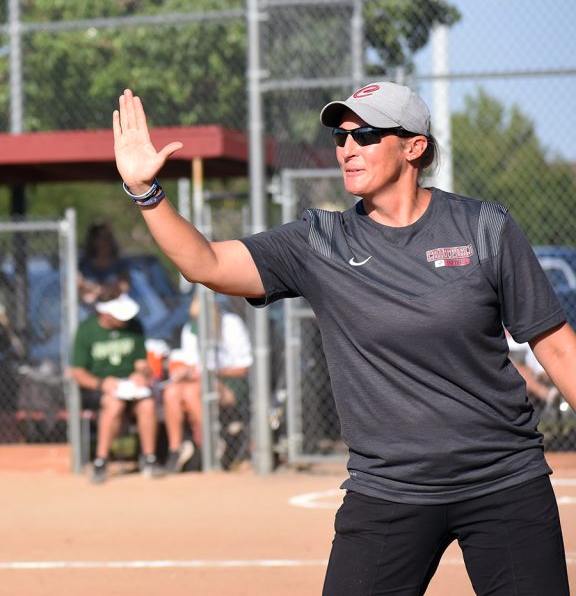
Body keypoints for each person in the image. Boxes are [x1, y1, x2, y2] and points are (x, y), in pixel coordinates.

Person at [112, 82, 576, 594]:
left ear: (414, 147)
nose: (348, 148)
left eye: (368, 135)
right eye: (340, 136)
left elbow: (555, 346)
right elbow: (208, 263)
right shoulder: (321, 241)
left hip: (502, 480)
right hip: (388, 490)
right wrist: (146, 194)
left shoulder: (484, 227)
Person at [69, 292, 162, 483]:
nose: (126, 320)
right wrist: (102, 384)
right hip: (99, 389)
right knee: (114, 404)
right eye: (120, 317)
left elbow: (142, 363)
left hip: (130, 387)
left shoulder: (134, 326)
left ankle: (149, 459)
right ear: (106, 315)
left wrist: (141, 374)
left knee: (147, 405)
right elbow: (77, 373)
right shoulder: (86, 330)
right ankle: (101, 461)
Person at [163, 293, 253, 472]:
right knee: (171, 392)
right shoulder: (190, 328)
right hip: (198, 381)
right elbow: (190, 362)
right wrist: (185, 372)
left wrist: (209, 373)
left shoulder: (231, 324)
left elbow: (244, 368)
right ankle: (176, 449)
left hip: (231, 382)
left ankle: (210, 444)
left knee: (192, 391)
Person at [78, 221, 131, 307]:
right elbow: (80, 287)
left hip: (113, 307)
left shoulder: (120, 264)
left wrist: (95, 289)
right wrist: (101, 290)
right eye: (102, 238)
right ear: (93, 241)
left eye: (109, 237)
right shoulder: (83, 265)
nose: (106, 242)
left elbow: (124, 286)